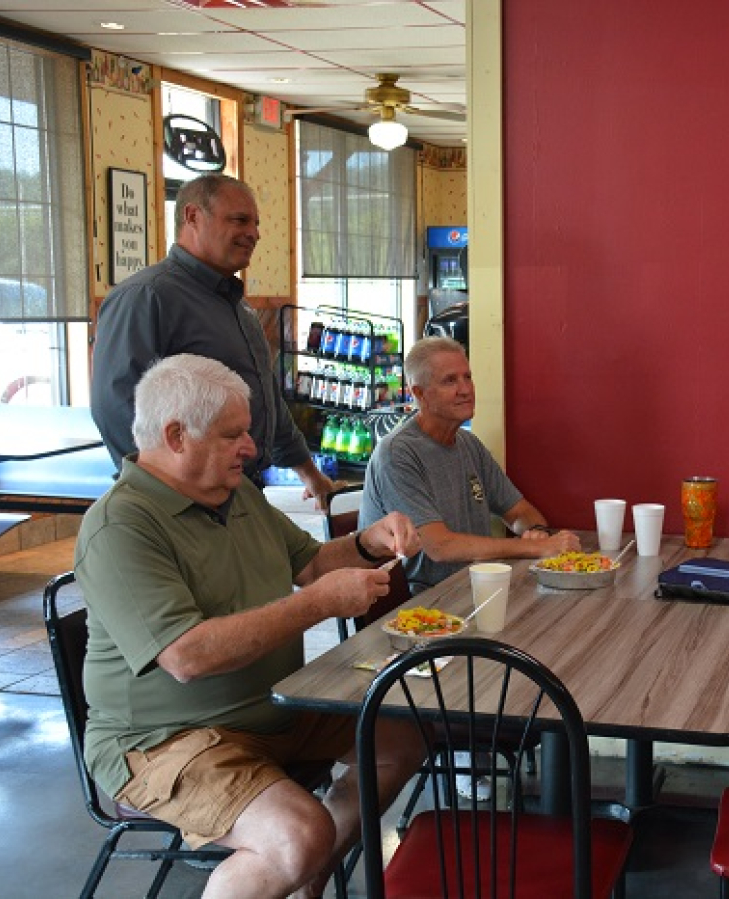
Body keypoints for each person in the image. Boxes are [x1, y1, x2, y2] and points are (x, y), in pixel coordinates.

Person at [76, 354, 425, 899]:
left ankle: (310, 874)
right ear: (175, 436)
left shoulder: (235, 495)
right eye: (233, 434)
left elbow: (311, 565)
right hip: (163, 743)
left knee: (402, 735)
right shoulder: (121, 525)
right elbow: (186, 656)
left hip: (274, 710)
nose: (252, 448)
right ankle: (300, 860)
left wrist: (367, 541)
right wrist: (317, 604)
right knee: (296, 835)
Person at [91, 172, 336, 500]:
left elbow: (267, 400)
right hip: (183, 500)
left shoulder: (237, 306)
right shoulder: (146, 296)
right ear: (192, 216)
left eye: (255, 224)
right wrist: (171, 494)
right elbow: (116, 406)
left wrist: (309, 473)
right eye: (239, 220)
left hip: (242, 491)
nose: (254, 234)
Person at [359, 336, 581, 593]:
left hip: (476, 588)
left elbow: (519, 511)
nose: (466, 389)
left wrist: (536, 531)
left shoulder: (468, 443)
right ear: (419, 393)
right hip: (421, 606)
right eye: (450, 380)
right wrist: (535, 547)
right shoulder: (397, 453)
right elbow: (439, 547)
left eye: (467, 377)